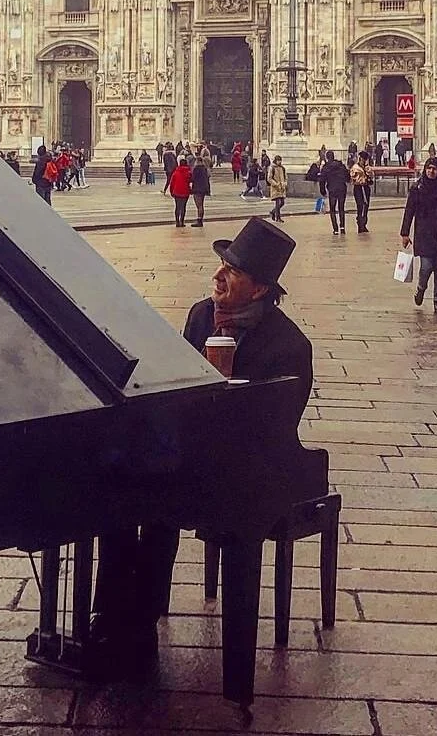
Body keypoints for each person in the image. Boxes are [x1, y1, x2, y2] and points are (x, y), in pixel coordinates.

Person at [87, 220, 312, 682]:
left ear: (260, 289)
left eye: (232, 270)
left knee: (159, 507)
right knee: (118, 499)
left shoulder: (289, 346)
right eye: (222, 264)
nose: (218, 275)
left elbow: (274, 427)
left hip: (246, 472)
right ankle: (115, 622)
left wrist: (228, 394)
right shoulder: (198, 316)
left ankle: (139, 624)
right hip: (188, 456)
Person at [401, 156, 437, 313]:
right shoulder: (417, 188)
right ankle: (421, 288)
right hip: (424, 232)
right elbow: (409, 211)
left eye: (434, 169)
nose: (431, 171)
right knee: (426, 267)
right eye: (429, 168)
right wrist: (405, 233)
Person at [320, 149, 350, 235]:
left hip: (332, 189)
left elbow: (322, 180)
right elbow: (347, 176)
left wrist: (323, 191)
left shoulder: (326, 167)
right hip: (342, 188)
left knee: (332, 210)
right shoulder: (341, 166)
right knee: (341, 208)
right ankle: (342, 227)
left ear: (327, 158)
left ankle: (335, 229)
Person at [349, 150, 373, 233]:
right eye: (363, 159)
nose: (364, 160)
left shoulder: (367, 167)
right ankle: (360, 224)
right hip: (358, 188)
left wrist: (368, 175)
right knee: (360, 206)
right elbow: (352, 178)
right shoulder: (355, 167)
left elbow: (371, 176)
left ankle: (364, 223)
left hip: (366, 188)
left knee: (366, 206)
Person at [168, 155, 193, 227]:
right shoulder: (188, 173)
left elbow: (172, 183)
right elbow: (191, 181)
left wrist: (171, 191)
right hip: (185, 192)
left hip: (176, 192)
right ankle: (182, 221)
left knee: (177, 207)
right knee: (183, 207)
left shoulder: (175, 173)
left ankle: (177, 222)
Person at [190, 155, 211, 226]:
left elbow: (193, 179)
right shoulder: (205, 169)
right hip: (204, 188)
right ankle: (200, 219)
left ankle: (199, 220)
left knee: (199, 205)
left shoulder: (196, 169)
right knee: (201, 205)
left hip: (197, 188)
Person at [268, 155, 287, 222]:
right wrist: (275, 184)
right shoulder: (272, 168)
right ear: (276, 161)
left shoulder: (282, 168)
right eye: (278, 160)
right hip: (275, 188)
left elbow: (285, 177)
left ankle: (273, 212)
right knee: (277, 202)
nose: (279, 162)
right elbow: (269, 178)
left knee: (282, 202)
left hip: (282, 188)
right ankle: (278, 218)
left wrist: (284, 183)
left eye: (280, 160)